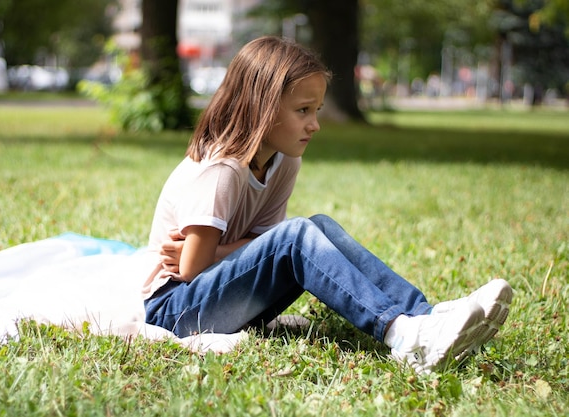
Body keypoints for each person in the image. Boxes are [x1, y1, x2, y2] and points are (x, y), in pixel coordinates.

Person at [142, 36, 513, 375]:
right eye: (303, 110)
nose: (315, 124)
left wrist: (227, 249)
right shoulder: (222, 169)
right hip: (175, 310)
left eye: (316, 109)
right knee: (299, 234)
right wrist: (251, 249)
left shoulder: (285, 161)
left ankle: (426, 316)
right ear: (261, 107)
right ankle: (404, 335)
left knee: (316, 225)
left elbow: (262, 244)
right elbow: (191, 269)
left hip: (218, 295)